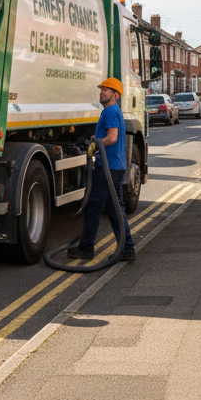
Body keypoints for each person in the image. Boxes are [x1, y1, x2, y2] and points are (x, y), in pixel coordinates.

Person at [67, 77, 137, 262]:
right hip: (115, 167)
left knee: (94, 207)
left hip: (109, 167)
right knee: (115, 209)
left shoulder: (110, 112)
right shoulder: (112, 111)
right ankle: (127, 249)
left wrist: (96, 143)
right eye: (101, 89)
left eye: (106, 90)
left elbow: (112, 138)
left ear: (116, 95)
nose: (102, 92)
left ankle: (87, 248)